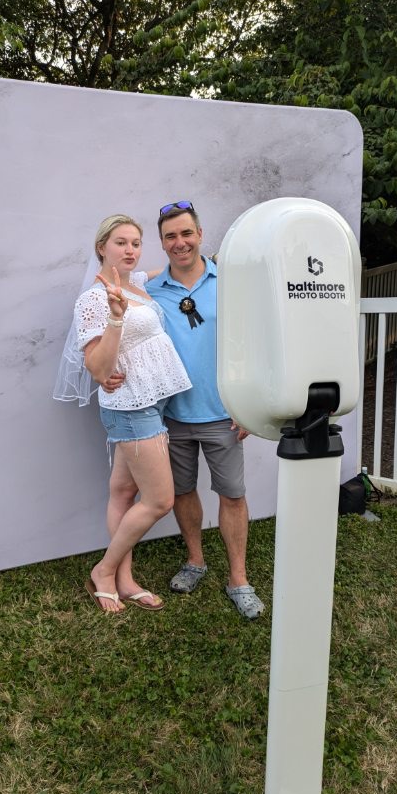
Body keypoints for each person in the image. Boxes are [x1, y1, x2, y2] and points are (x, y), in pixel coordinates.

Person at [107, 201, 264, 619]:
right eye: (170, 237)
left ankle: (238, 578)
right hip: (169, 417)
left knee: (232, 494)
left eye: (186, 233)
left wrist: (247, 403)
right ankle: (195, 560)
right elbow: (120, 334)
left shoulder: (228, 282)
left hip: (222, 414)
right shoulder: (148, 291)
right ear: (162, 243)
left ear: (200, 235)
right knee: (180, 492)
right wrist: (106, 373)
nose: (180, 243)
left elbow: (250, 342)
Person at [53, 214, 191, 613]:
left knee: (123, 492)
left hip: (150, 400)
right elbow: (97, 368)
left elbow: (170, 266)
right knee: (160, 499)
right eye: (121, 243)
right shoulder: (95, 299)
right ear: (101, 247)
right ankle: (105, 570)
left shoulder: (136, 284)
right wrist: (115, 316)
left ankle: (125, 581)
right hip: (132, 408)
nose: (130, 250)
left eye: (135, 242)